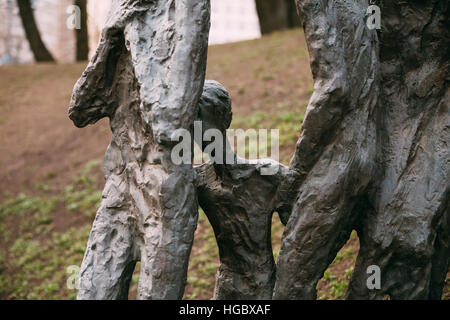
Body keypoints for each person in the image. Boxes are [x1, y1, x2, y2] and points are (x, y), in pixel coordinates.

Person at [194, 80, 299, 299]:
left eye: (201, 115)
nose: (196, 127)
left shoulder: (267, 175)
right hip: (224, 288)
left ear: (225, 119)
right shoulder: (198, 182)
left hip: (263, 288)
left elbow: (302, 235)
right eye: (191, 118)